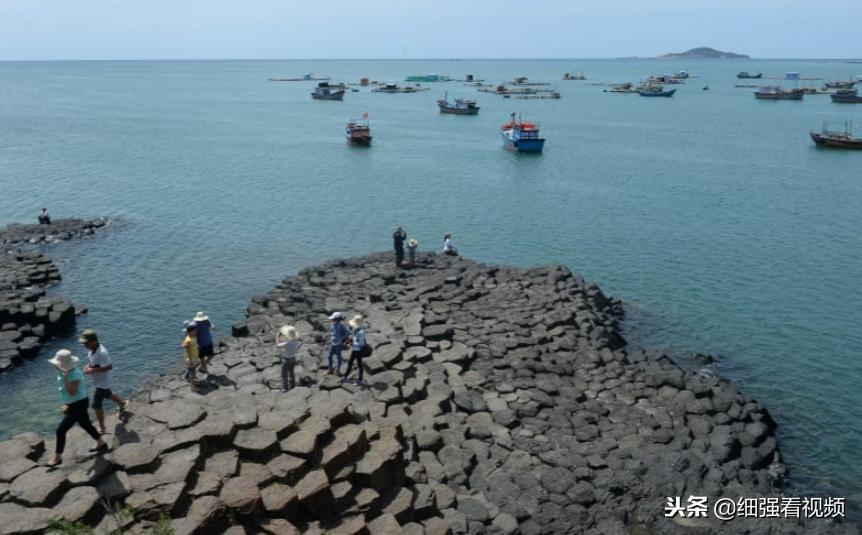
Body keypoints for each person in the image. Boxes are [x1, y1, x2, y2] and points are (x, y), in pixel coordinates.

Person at [47, 349, 108, 467]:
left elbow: (72, 392)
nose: (54, 366)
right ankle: (101, 442)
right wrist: (66, 404)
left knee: (60, 430)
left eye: (57, 364)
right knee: (85, 424)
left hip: (78, 404)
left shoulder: (73, 374)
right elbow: (67, 393)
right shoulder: (64, 372)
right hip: (75, 403)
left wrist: (65, 379)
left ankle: (57, 458)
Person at [80, 329, 129, 434]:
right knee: (107, 394)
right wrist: (87, 367)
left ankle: (102, 427)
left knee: (96, 405)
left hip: (104, 381)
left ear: (93, 341)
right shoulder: (92, 349)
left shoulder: (102, 353)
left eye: (86, 343)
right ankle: (123, 403)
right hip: (98, 380)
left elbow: (109, 366)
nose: (84, 345)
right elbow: (92, 362)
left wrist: (92, 370)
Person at [341, 315, 369, 386]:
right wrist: (347, 341)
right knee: (350, 362)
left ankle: (360, 380)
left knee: (359, 365)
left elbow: (361, 344)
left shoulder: (361, 332)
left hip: (359, 351)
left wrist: (351, 344)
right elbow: (353, 337)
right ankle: (345, 377)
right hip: (354, 350)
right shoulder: (356, 329)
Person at [275, 325, 302, 392]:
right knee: (291, 373)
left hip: (286, 360)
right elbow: (298, 344)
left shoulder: (287, 343)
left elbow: (278, 345)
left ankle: (285, 388)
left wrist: (277, 337)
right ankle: (292, 385)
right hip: (293, 358)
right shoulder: (296, 341)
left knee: (284, 375)